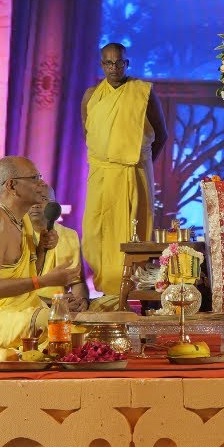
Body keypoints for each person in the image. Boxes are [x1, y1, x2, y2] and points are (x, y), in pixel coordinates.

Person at [0, 157, 82, 349]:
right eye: (35, 178)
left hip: (19, 310)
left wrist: (41, 249)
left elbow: (27, 275)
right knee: (61, 326)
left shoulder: (23, 221)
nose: (42, 183)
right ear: (12, 186)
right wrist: (46, 281)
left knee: (78, 322)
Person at [81, 42, 166, 304]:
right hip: (102, 174)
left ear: (126, 64)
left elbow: (161, 135)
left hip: (134, 173)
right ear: (101, 65)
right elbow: (90, 133)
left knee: (133, 231)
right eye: (108, 63)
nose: (114, 68)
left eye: (119, 62)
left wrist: (141, 162)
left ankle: (136, 291)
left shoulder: (143, 93)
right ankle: (107, 291)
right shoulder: (92, 96)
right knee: (95, 232)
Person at [29, 183, 91, 313]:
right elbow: (12, 291)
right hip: (27, 307)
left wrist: (81, 301)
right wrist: (55, 303)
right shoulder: (16, 235)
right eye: (31, 199)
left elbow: (77, 282)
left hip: (63, 305)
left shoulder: (69, 235)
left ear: (54, 206)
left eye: (43, 199)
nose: (35, 204)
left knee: (111, 304)